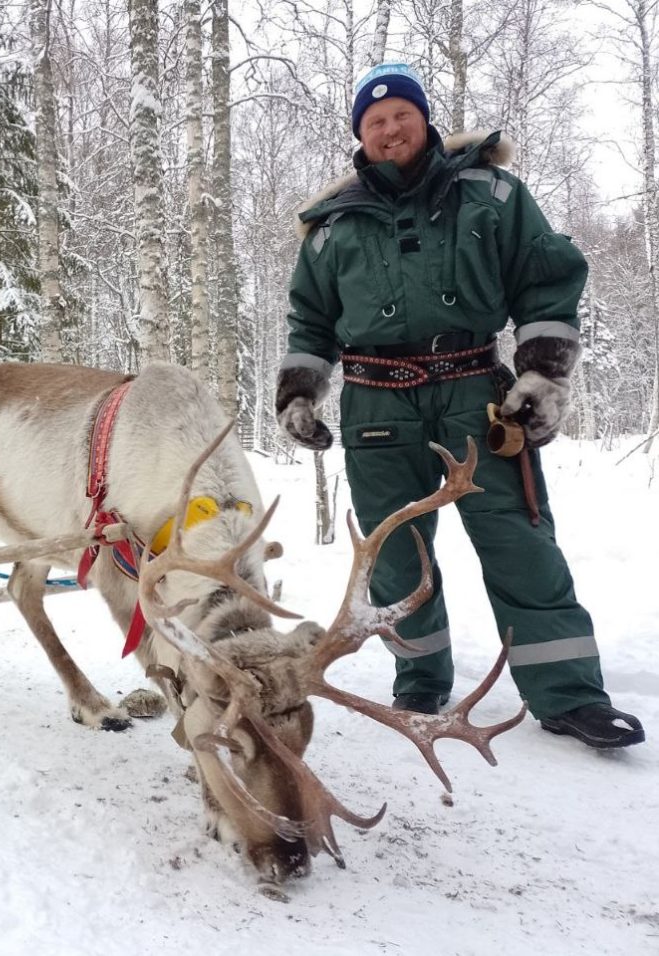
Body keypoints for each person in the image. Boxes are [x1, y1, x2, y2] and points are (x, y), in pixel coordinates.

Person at [275, 62, 644, 749]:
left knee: (518, 542)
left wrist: (539, 378)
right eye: (374, 121)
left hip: (476, 395)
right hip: (375, 404)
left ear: (423, 119)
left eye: (400, 115)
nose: (389, 129)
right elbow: (309, 322)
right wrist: (298, 393)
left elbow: (546, 282)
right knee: (392, 556)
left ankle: (567, 695)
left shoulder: (492, 195)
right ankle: (418, 679)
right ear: (360, 134)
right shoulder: (330, 227)